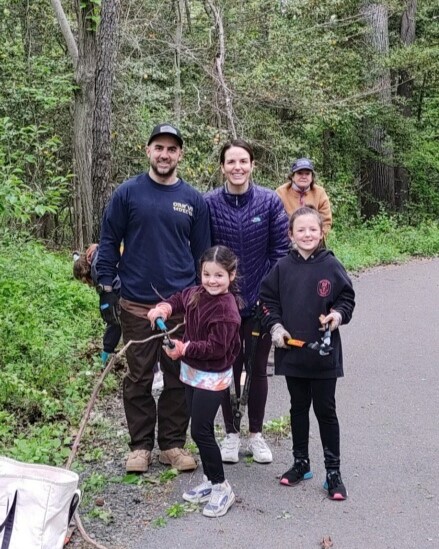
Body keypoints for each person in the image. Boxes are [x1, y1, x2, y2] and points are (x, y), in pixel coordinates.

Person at [96, 123, 211, 473]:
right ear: (148, 151)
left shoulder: (193, 200)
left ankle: (172, 445)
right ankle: (140, 447)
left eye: (172, 149)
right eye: (158, 147)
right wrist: (106, 288)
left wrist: (201, 296)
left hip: (180, 306)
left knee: (178, 375)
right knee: (138, 377)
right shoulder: (127, 193)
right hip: (135, 303)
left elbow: (202, 253)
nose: (165, 154)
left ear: (180, 155)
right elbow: (108, 242)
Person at [259, 206, 355, 500]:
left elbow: (347, 299)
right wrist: (276, 328)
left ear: (322, 231)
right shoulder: (281, 268)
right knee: (298, 408)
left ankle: (333, 472)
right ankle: (301, 463)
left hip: (324, 355)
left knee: (325, 410)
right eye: (300, 230)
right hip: (293, 354)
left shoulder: (331, 265)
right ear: (291, 234)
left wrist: (336, 316)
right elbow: (266, 302)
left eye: (312, 229)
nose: (307, 234)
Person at [204, 139, 289, 464]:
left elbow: (279, 253)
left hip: (259, 302)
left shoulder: (269, 202)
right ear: (223, 167)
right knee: (226, 366)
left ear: (252, 165)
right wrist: (217, 293)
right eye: (231, 162)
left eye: (243, 161)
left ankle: (255, 434)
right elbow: (202, 252)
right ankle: (230, 434)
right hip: (220, 304)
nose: (237, 167)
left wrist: (264, 295)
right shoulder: (208, 203)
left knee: (256, 368)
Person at [147, 245, 241, 518]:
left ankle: (222, 487)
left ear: (231, 276)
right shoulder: (197, 293)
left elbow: (216, 348)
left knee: (201, 431)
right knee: (197, 428)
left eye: (219, 275)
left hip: (212, 377)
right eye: (207, 274)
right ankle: (211, 481)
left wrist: (184, 348)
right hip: (191, 372)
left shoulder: (227, 311)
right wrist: (164, 307)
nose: (212, 280)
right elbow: (180, 298)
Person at [73, 244, 121, 364]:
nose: (89, 286)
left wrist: (106, 350)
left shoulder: (100, 273)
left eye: (85, 282)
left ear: (85, 274)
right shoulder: (102, 253)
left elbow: (112, 319)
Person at [276, 158, 332, 237]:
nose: (304, 176)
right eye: (299, 173)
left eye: (307, 173)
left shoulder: (320, 193)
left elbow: (326, 222)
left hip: (314, 241)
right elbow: (276, 222)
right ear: (292, 176)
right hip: (287, 241)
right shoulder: (281, 193)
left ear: (312, 177)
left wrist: (317, 240)